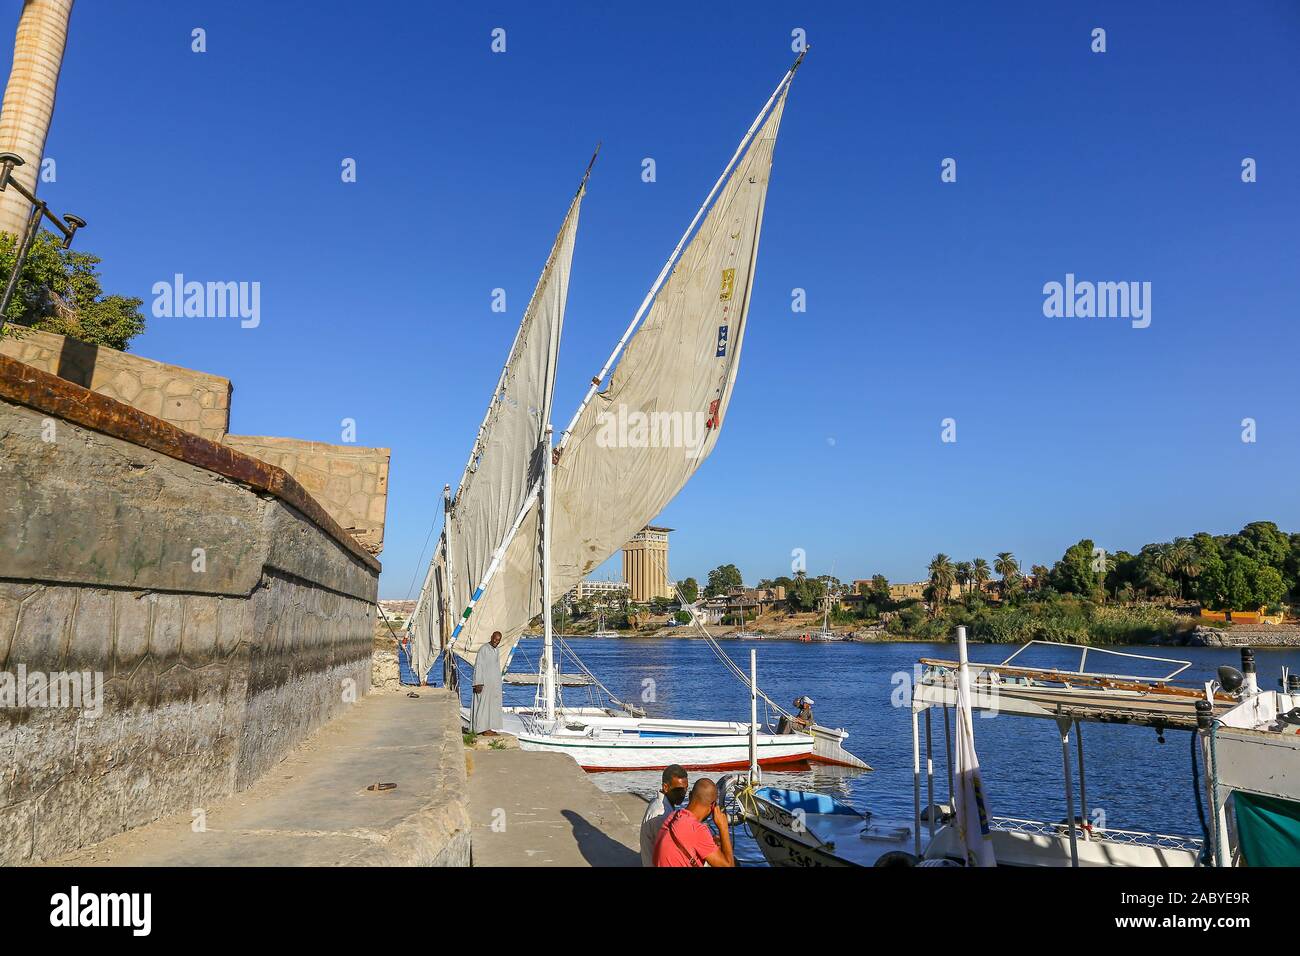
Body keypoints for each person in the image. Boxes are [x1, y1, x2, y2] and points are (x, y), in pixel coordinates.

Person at [653, 778, 734, 867]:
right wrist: (723, 827)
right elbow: (729, 865)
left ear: (690, 795)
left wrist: (710, 841)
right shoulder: (697, 829)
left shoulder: (673, 816)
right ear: (713, 806)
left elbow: (689, 839)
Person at [640, 764, 689, 866]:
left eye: (685, 789)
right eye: (679, 790)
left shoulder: (659, 803)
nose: (683, 794)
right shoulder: (661, 814)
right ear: (665, 787)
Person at [471, 631, 504, 735]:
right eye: (495, 639)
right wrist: (478, 682)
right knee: (483, 707)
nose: (496, 641)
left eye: (498, 640)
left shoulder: (496, 650)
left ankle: (488, 728)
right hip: (483, 683)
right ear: (491, 637)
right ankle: (483, 729)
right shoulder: (484, 649)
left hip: (493, 684)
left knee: (492, 707)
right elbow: (478, 666)